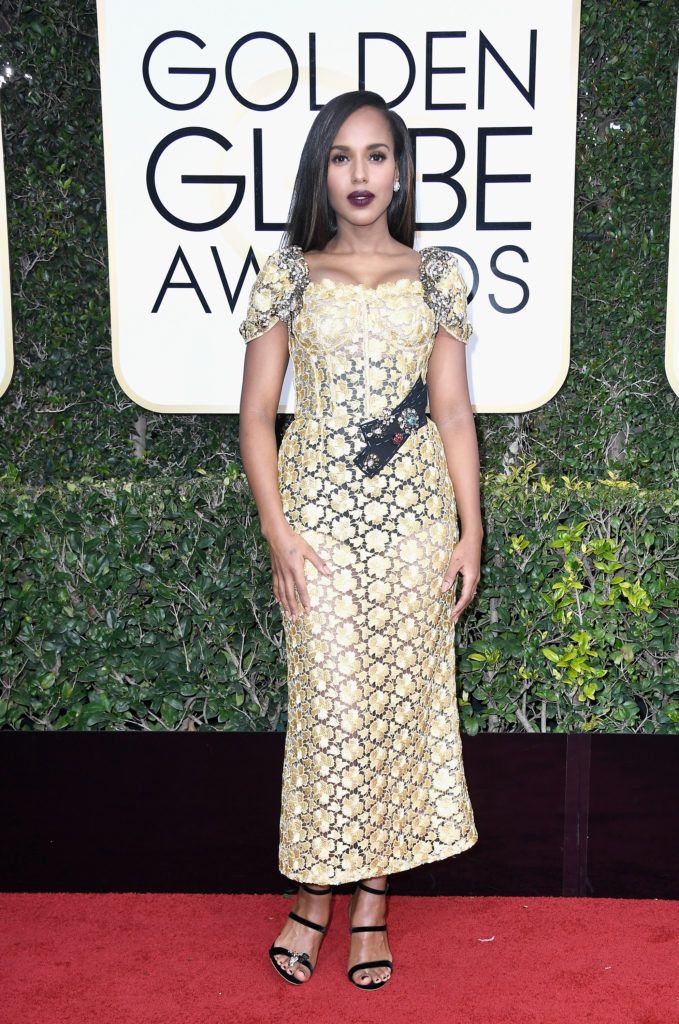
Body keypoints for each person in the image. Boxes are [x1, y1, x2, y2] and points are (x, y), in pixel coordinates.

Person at [238, 90, 482, 991]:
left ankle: (372, 904)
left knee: (397, 709)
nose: (359, 175)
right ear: (320, 172)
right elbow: (257, 416)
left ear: (400, 169)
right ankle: (313, 894)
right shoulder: (286, 275)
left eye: (375, 156)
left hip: (416, 526)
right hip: (317, 531)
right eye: (340, 158)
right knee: (329, 709)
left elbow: (453, 411)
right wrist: (276, 533)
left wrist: (470, 533)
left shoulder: (437, 277)